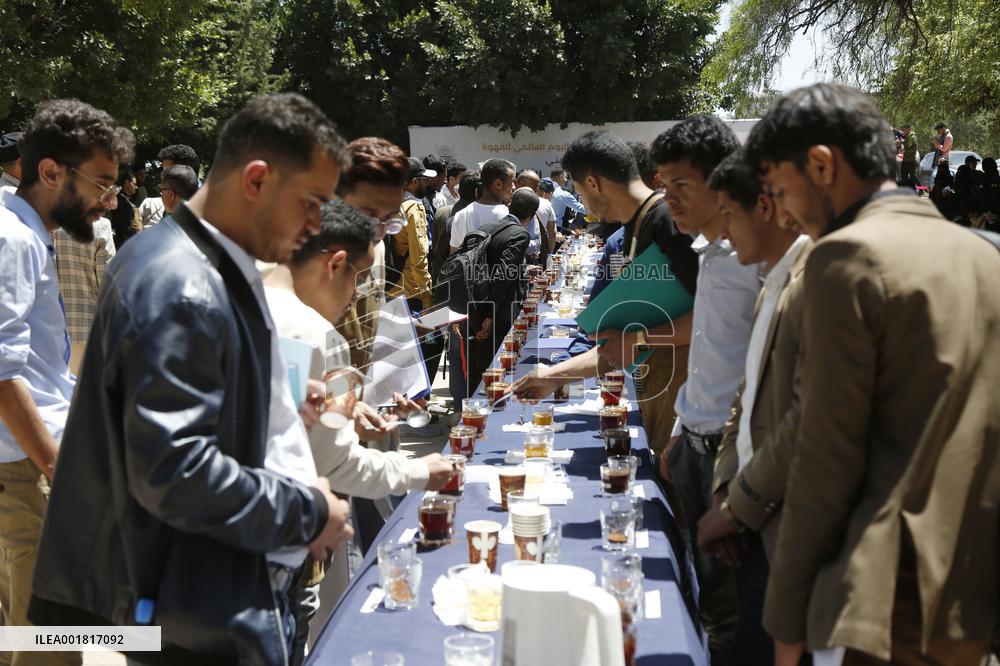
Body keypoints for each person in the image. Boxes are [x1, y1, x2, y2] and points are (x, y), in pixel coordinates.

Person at [29, 93, 355, 666]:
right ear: (256, 180)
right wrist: (308, 510)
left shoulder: (202, 258)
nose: (314, 228)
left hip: (200, 595)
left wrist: (267, 398)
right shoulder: (182, 282)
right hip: (193, 611)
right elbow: (172, 470)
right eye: (311, 203)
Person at [745, 82, 1000, 666]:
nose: (783, 212)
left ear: (821, 165)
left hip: (889, 602)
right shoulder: (983, 253)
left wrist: (785, 622)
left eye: (782, 189)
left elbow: (824, 454)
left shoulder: (847, 257)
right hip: (973, 592)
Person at [263, 199, 453, 651]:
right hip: (276, 551)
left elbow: (284, 426)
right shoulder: (317, 336)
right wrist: (425, 471)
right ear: (336, 263)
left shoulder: (243, 305)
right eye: (361, 278)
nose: (357, 296)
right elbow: (337, 465)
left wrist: (346, 421)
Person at [1, 98, 134, 666]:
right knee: (47, 645)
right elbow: (2, 373)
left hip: (34, 462)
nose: (110, 199)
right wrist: (57, 465)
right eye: (101, 182)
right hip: (30, 468)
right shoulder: (14, 238)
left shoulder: (29, 232)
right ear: (51, 171)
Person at [513, 131, 699, 470]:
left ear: (594, 183)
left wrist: (639, 338)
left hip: (689, 408)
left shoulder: (669, 222)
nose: (581, 202)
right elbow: (618, 345)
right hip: (661, 393)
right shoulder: (636, 228)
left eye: (579, 191)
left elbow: (711, 318)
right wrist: (555, 376)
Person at [651, 117, 763, 666]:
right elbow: (708, 353)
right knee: (704, 595)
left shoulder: (762, 258)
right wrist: (678, 429)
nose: (668, 199)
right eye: (663, 186)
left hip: (733, 457)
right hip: (694, 443)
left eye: (680, 186)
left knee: (733, 614)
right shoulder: (709, 249)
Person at [693, 151, 811, 666]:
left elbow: (803, 420)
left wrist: (737, 504)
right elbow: (748, 392)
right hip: (751, 509)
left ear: (765, 208)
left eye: (728, 214)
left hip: (786, 521)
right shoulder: (773, 277)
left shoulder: (812, 281)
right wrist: (725, 490)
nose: (721, 230)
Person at [462, 188, 533, 394]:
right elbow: (503, 275)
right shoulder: (520, 233)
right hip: (496, 312)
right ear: (531, 216)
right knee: (495, 368)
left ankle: (472, 412)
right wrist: (490, 315)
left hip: (475, 306)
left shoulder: (486, 227)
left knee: (479, 366)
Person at [53, 208, 117, 373]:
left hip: (51, 328)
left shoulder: (49, 222)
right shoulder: (101, 226)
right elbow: (109, 284)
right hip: (88, 327)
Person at [390, 157, 435, 311]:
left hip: (389, 287)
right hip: (410, 290)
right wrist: (426, 292)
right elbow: (419, 256)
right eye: (424, 180)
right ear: (415, 182)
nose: (427, 183)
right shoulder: (413, 208)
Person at [449, 158, 514, 252]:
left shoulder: (461, 215)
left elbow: (453, 254)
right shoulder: (508, 216)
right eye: (511, 182)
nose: (514, 186)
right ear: (498, 184)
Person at [139, 144, 201, 226]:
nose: (162, 175)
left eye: (166, 170)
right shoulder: (171, 203)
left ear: (185, 171)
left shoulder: (209, 208)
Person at [516, 169, 557, 260]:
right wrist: (548, 255)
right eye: (532, 187)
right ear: (518, 184)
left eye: (536, 187)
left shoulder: (541, 204)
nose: (534, 190)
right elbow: (552, 234)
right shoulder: (509, 206)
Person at [898, 123, 918, 188]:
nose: (904, 131)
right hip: (905, 159)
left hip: (911, 160)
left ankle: (920, 190)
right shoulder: (905, 137)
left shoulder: (912, 137)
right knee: (904, 176)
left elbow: (913, 149)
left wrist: (904, 151)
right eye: (904, 130)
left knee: (913, 176)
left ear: (909, 129)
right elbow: (904, 145)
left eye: (906, 129)